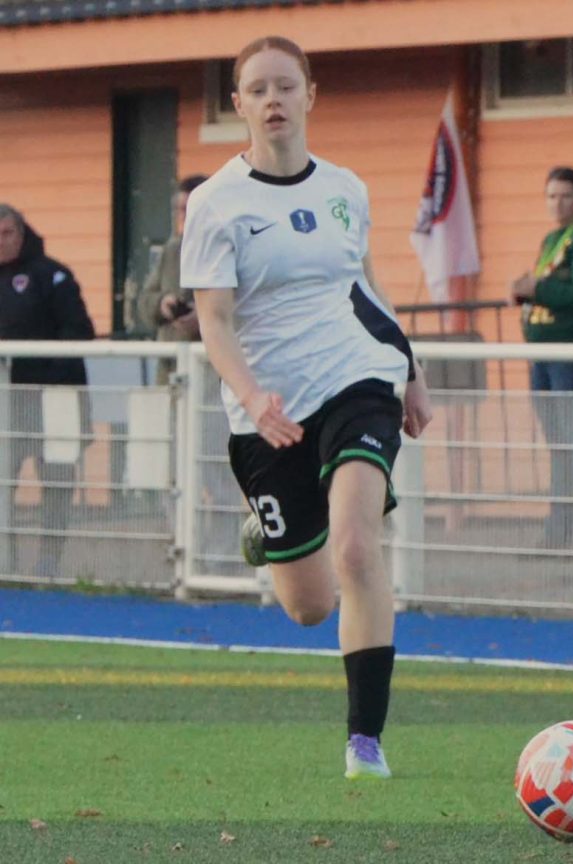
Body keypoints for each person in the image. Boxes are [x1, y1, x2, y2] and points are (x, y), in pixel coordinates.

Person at [180, 35, 433, 781]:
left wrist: (411, 373)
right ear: (239, 106)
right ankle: (268, 526)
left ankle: (365, 743)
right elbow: (215, 321)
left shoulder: (345, 190)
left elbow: (369, 290)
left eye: (285, 86)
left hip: (356, 377)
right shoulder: (217, 204)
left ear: (310, 95)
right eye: (257, 89)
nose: (273, 100)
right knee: (309, 607)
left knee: (358, 545)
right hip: (266, 411)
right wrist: (253, 396)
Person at [510, 167, 573, 547]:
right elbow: (548, 289)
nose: (558, 203)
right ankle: (557, 532)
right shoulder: (552, 238)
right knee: (558, 447)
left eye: (565, 196)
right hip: (545, 356)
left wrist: (540, 288)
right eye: (551, 196)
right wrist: (526, 291)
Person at [0, 204, 95, 578]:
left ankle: (49, 564)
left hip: (55, 400)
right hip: (6, 405)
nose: (1, 242)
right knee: (3, 481)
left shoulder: (51, 275)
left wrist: (42, 369)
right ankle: (6, 564)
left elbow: (79, 331)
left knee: (56, 484)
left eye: (7, 233)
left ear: (22, 233)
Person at [137, 173, 209, 384]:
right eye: (180, 209)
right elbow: (144, 301)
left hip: (213, 371)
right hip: (171, 369)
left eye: (189, 208)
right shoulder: (172, 250)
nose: (183, 216)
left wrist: (205, 318)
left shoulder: (232, 249)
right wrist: (163, 304)